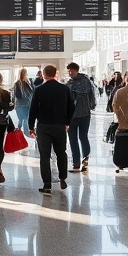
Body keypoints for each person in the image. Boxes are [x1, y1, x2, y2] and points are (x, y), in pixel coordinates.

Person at [28, 65, 74, 195]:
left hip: (43, 126)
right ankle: (63, 177)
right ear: (56, 74)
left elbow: (33, 110)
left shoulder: (39, 89)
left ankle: (47, 184)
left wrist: (31, 127)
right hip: (59, 126)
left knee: (45, 156)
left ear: (43, 74)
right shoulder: (64, 89)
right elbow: (72, 107)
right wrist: (67, 122)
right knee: (61, 153)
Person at [65, 63, 98, 173]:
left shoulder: (76, 83)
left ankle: (80, 162)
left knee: (78, 138)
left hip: (78, 115)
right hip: (79, 114)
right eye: (68, 71)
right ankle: (80, 161)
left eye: (71, 71)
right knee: (78, 138)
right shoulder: (83, 82)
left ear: (76, 70)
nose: (69, 73)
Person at [13, 69, 34, 134]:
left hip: (25, 104)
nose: (27, 75)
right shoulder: (19, 84)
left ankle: (22, 133)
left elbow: (32, 92)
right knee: (24, 119)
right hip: (23, 105)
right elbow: (18, 95)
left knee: (23, 119)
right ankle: (25, 134)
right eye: (26, 74)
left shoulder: (28, 82)